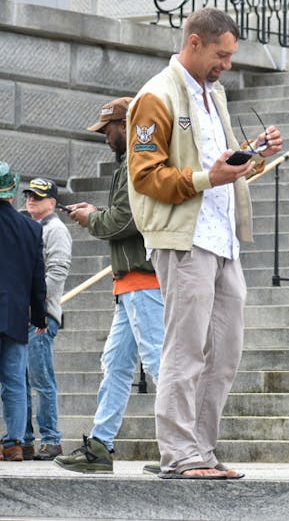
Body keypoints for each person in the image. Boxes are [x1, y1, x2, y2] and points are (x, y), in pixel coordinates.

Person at [127, 7, 283, 480]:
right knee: (185, 349)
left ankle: (202, 450)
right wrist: (206, 178)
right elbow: (145, 175)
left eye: (231, 56)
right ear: (194, 43)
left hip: (223, 239)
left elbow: (220, 165)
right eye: (222, 54)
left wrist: (254, 154)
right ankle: (179, 454)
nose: (227, 65)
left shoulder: (214, 94)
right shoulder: (156, 95)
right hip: (184, 239)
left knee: (225, 352)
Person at [55, 97, 165, 474]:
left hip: (143, 281)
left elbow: (125, 220)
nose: (104, 137)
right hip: (132, 282)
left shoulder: (137, 162)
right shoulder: (130, 163)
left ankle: (183, 446)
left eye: (108, 129)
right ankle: (101, 445)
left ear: (125, 125)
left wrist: (91, 219)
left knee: (159, 363)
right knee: (116, 364)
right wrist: (95, 214)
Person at [21, 176, 72, 461]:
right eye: (29, 195)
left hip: (41, 317)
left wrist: (36, 307)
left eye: (38, 197)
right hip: (23, 316)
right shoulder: (29, 227)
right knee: (21, 382)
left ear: (52, 202)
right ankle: (25, 440)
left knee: (41, 381)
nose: (31, 200)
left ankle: (51, 440)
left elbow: (57, 272)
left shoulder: (56, 230)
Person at [0, 162, 47, 462]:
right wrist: (40, 316)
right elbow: (37, 277)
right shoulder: (31, 228)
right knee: (15, 381)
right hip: (16, 315)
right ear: (12, 192)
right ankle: (14, 443)